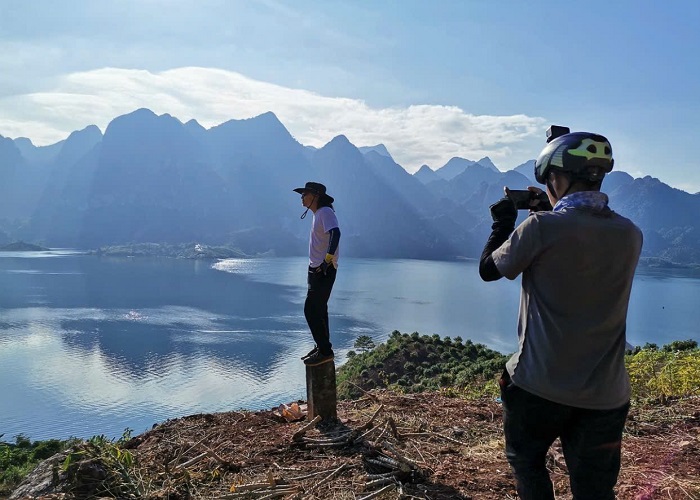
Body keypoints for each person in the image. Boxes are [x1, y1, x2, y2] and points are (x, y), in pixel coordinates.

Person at [478, 128, 643, 499]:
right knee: (595, 490)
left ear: (556, 177)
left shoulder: (540, 227)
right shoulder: (631, 234)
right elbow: (579, 243)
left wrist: (503, 221)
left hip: (539, 386)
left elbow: (489, 269)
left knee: (528, 463)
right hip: (606, 394)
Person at [293, 181, 341, 367]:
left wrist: (326, 261)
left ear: (315, 196)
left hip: (323, 270)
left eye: (305, 194)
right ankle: (322, 347)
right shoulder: (318, 214)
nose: (302, 197)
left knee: (310, 310)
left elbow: (335, 234)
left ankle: (326, 351)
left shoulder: (325, 212)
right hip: (316, 269)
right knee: (320, 310)